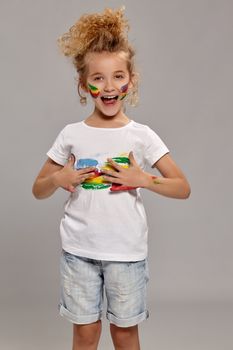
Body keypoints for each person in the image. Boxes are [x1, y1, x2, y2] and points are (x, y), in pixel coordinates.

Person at [32, 7, 191, 350]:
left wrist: (144, 179)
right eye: (99, 78)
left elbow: (182, 187)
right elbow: (38, 189)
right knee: (86, 335)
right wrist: (59, 177)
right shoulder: (71, 134)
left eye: (118, 76)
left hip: (126, 253)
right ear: (83, 83)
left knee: (124, 334)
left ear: (130, 81)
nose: (109, 87)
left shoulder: (142, 135)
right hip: (78, 253)